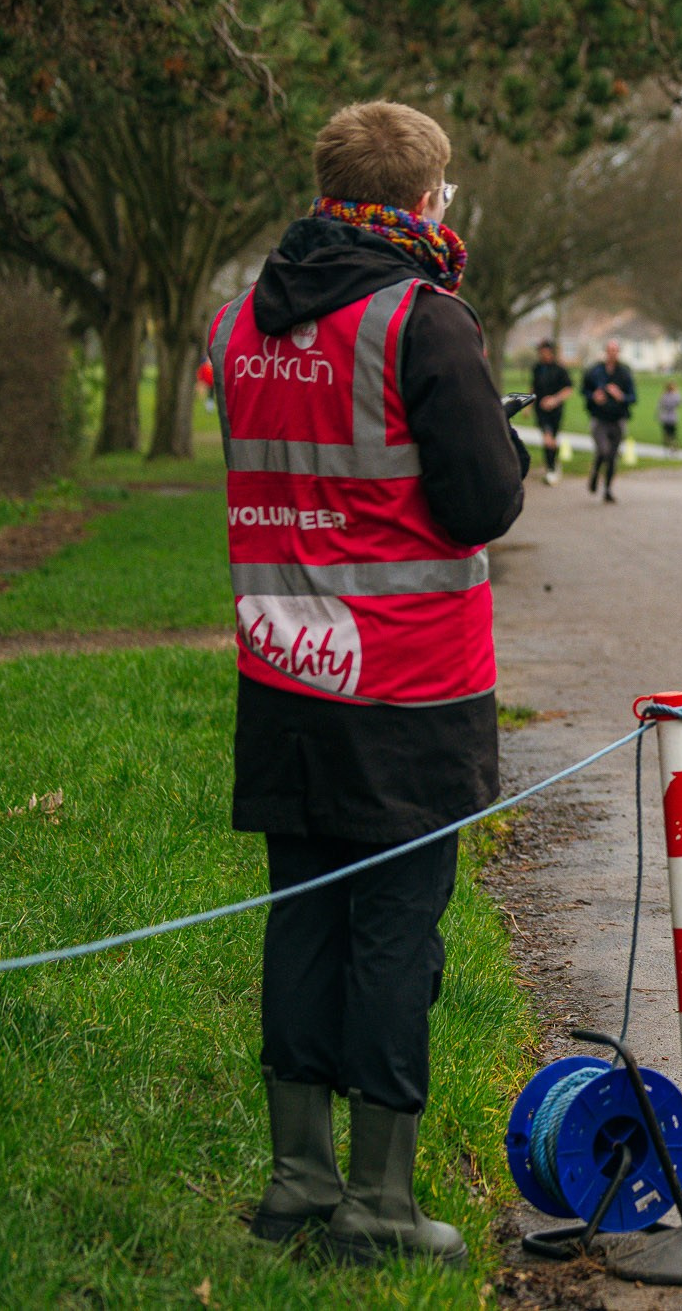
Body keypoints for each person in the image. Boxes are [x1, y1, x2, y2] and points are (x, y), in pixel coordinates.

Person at [208, 99, 527, 1267]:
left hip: (284, 668)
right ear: (425, 198)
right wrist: (501, 437)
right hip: (407, 685)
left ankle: (295, 1181)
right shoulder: (424, 320)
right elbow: (482, 500)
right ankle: (381, 1208)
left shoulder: (236, 322)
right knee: (396, 932)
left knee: (301, 915)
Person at [582, 339, 635, 503]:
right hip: (600, 419)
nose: (612, 353)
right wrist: (593, 396)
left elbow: (633, 397)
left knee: (612, 457)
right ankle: (595, 473)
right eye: (609, 350)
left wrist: (621, 396)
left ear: (618, 352)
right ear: (606, 351)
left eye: (615, 350)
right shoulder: (595, 371)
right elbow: (584, 390)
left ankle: (608, 490)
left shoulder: (624, 373)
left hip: (618, 419)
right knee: (604, 451)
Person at [530, 339, 573, 486]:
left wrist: (555, 400)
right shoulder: (537, 368)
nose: (543, 354)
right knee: (547, 439)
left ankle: (553, 464)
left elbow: (568, 389)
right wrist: (528, 406)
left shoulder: (559, 369)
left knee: (552, 440)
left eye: (545, 351)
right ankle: (551, 469)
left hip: (555, 410)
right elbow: (533, 387)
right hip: (541, 410)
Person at [655, 380, 682, 450]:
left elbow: (680, 402)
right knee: (668, 432)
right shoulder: (666, 395)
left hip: (671, 417)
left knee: (672, 432)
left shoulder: (673, 395)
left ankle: (672, 444)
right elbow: (660, 405)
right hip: (667, 417)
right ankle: (669, 443)